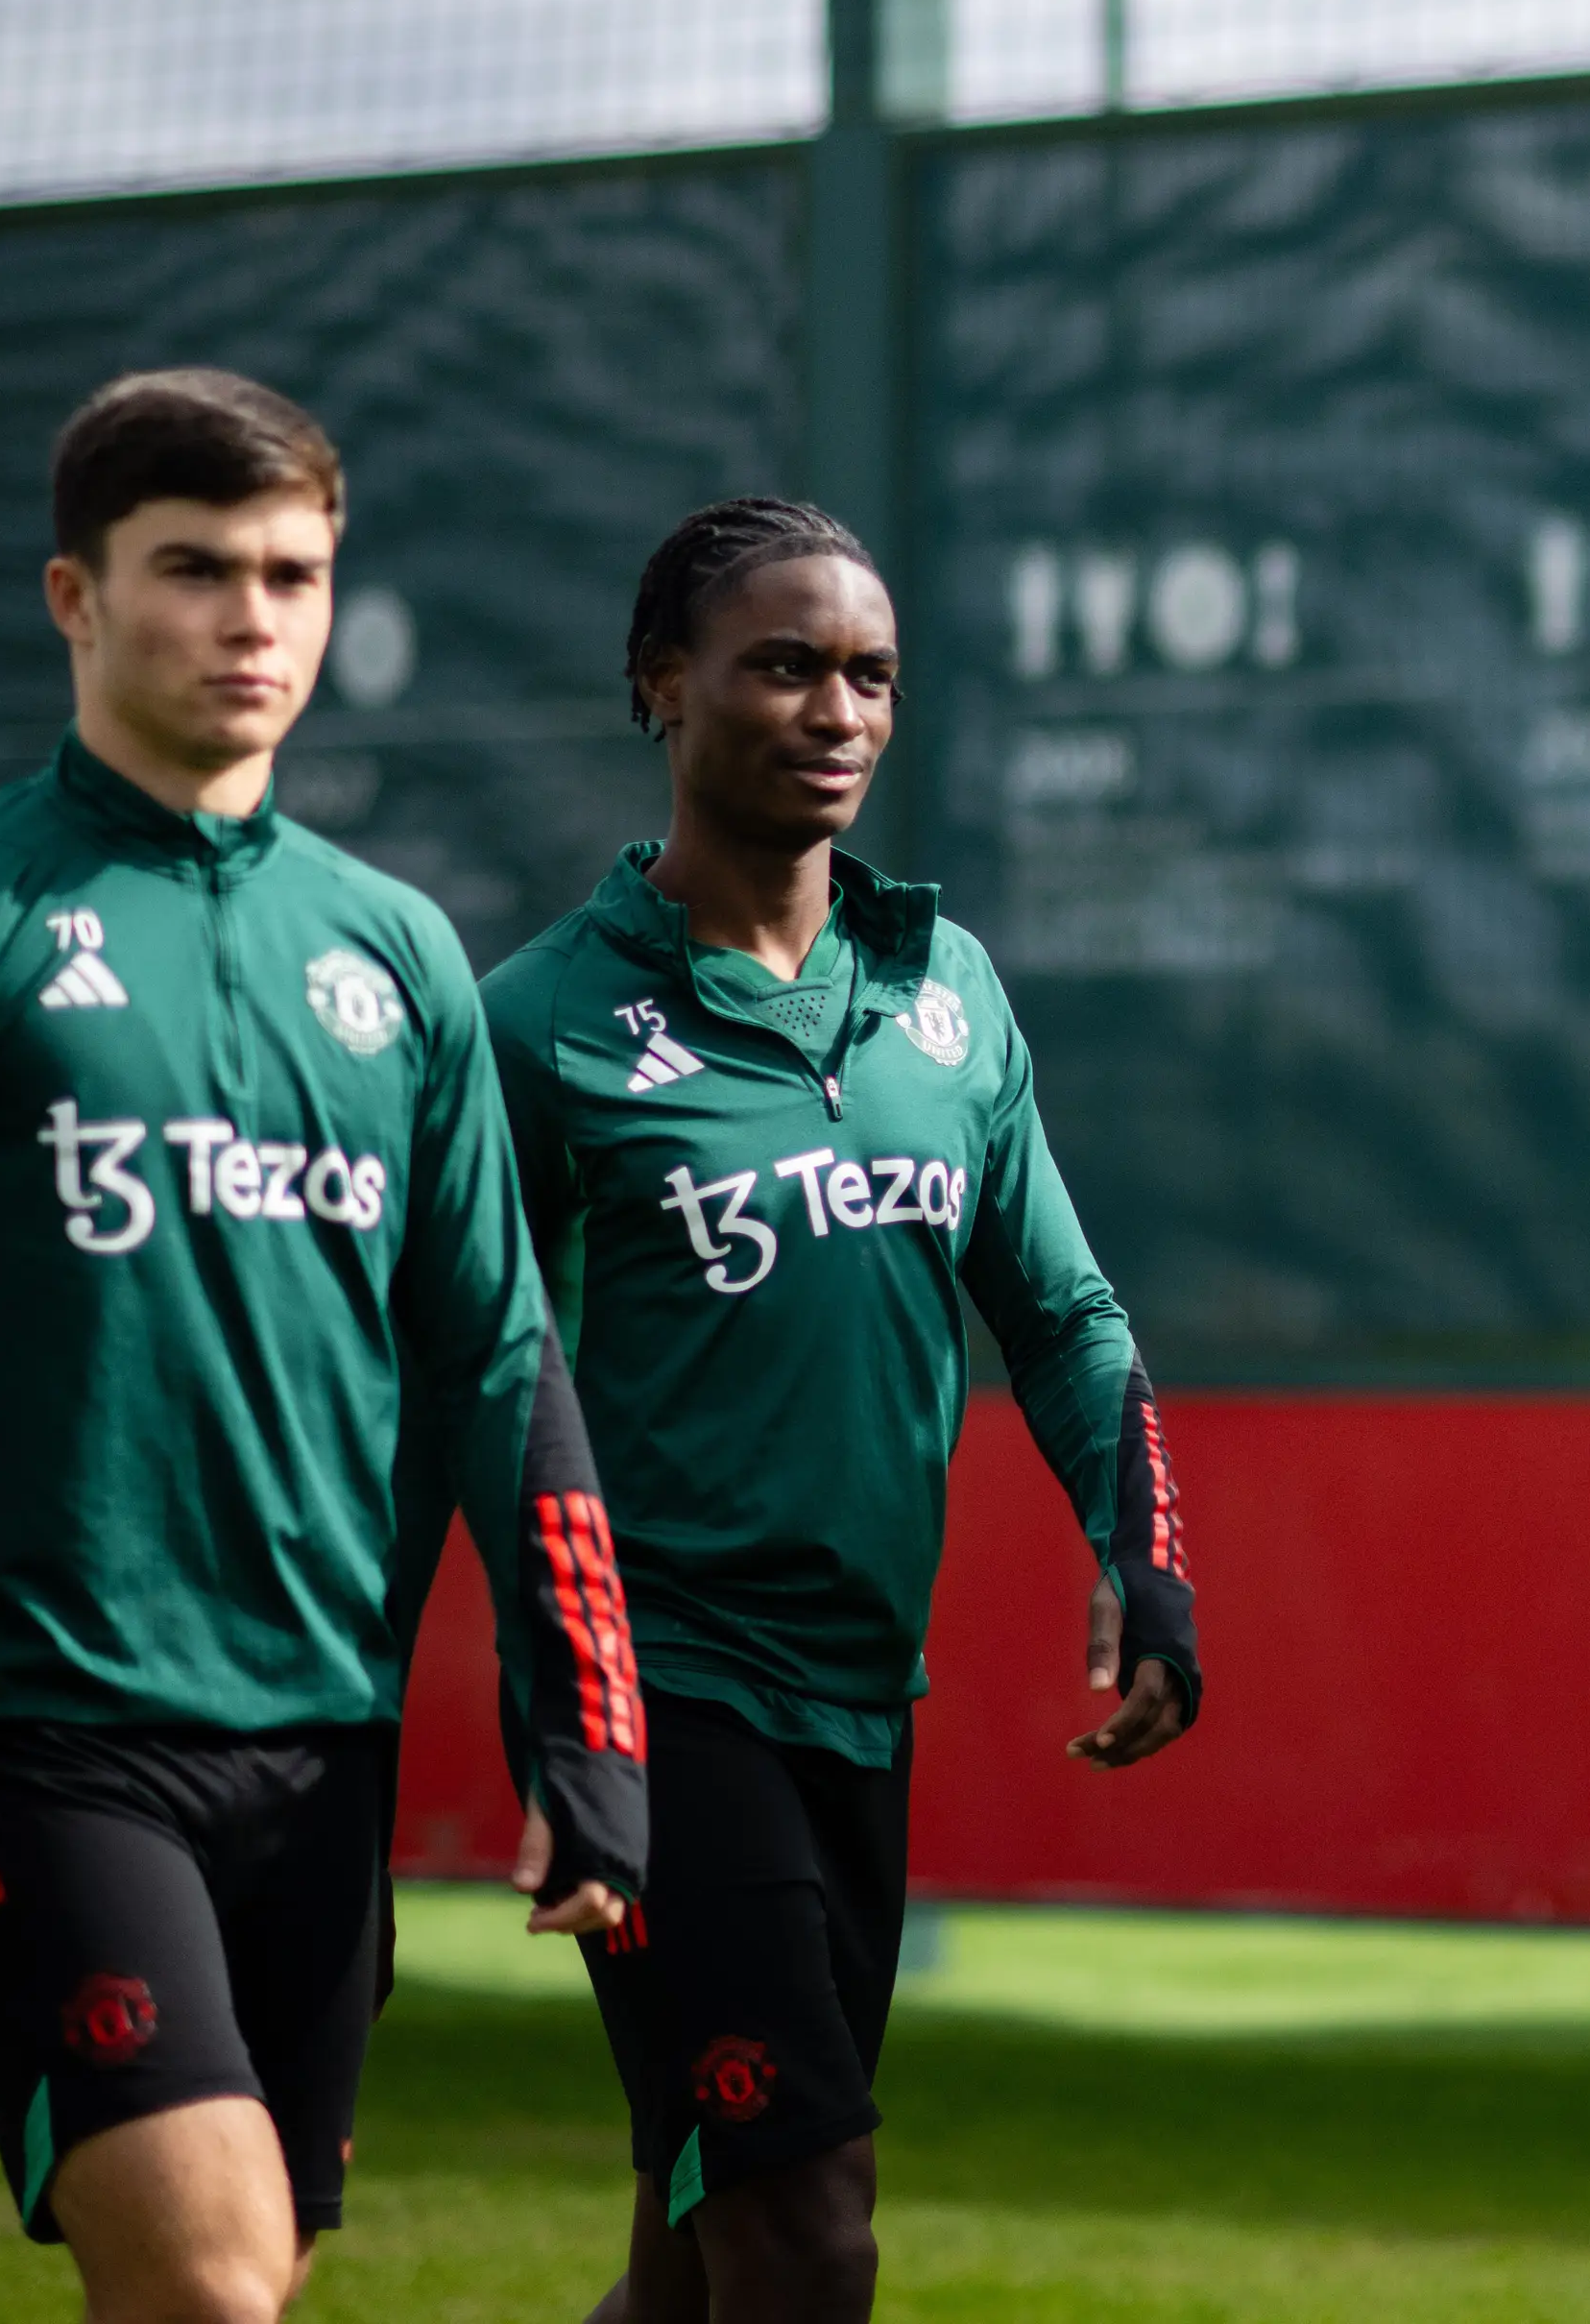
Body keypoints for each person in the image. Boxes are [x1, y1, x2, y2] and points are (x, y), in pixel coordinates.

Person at [0, 367, 651, 2323]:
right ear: (73, 595)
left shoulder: (395, 950)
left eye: (296, 574)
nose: (256, 617)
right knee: (217, 2283)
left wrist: (586, 1722)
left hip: (322, 1738)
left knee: (232, 2284)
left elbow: (500, 1355)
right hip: (45, 1725)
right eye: (197, 569)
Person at [485, 498, 1199, 2323]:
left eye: (870, 672)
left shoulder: (943, 995)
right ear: (663, 685)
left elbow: (1064, 1308)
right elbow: (477, 1384)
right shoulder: (539, 1027)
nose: (838, 709)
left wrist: (1147, 1550)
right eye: (784, 664)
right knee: (810, 2236)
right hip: (661, 1699)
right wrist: (558, 1714)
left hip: (863, 1700)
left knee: (695, 2244)